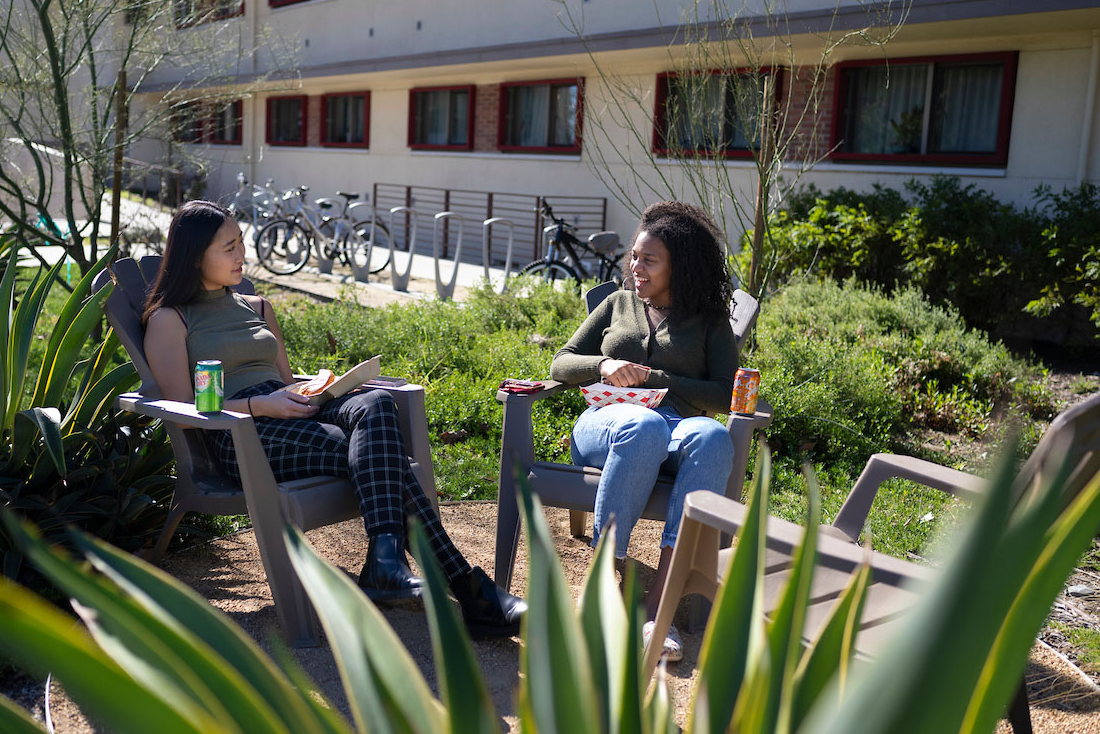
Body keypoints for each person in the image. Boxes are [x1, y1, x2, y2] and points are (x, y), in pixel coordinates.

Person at [142, 200, 526, 638]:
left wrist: (320, 391)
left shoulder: (256, 306)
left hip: (289, 409)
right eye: (229, 247)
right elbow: (186, 411)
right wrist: (259, 407)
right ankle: (457, 584)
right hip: (238, 431)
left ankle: (388, 563)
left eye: (241, 243)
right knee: (381, 459)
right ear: (195, 257)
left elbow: (286, 381)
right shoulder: (170, 319)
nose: (242, 255)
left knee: (378, 402)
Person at [550, 200, 737, 661]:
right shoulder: (617, 302)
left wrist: (659, 381)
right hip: (606, 426)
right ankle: (601, 590)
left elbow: (726, 394)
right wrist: (605, 363)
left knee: (713, 436)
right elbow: (561, 361)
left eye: (649, 260)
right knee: (644, 424)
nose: (635, 266)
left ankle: (659, 610)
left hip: (676, 429)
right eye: (634, 256)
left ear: (681, 267)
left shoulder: (709, 320)